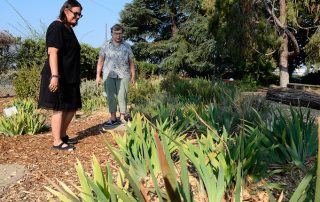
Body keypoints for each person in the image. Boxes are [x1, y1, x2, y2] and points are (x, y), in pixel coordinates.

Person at [38, 0, 83, 151]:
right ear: (66, 10)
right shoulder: (56, 27)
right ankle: (57, 142)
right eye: (75, 13)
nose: (77, 17)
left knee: (72, 107)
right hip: (58, 75)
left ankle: (62, 135)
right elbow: (53, 52)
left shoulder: (68, 28)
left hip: (70, 76)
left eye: (80, 15)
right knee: (59, 108)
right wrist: (55, 76)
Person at [96, 24, 136, 127]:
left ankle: (122, 118)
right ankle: (113, 118)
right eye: (116, 33)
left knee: (123, 96)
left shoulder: (127, 46)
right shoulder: (105, 45)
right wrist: (98, 76)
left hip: (124, 75)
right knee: (111, 97)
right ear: (112, 34)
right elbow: (100, 61)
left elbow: (131, 62)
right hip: (109, 74)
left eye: (120, 33)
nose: (118, 36)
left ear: (122, 34)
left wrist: (133, 75)